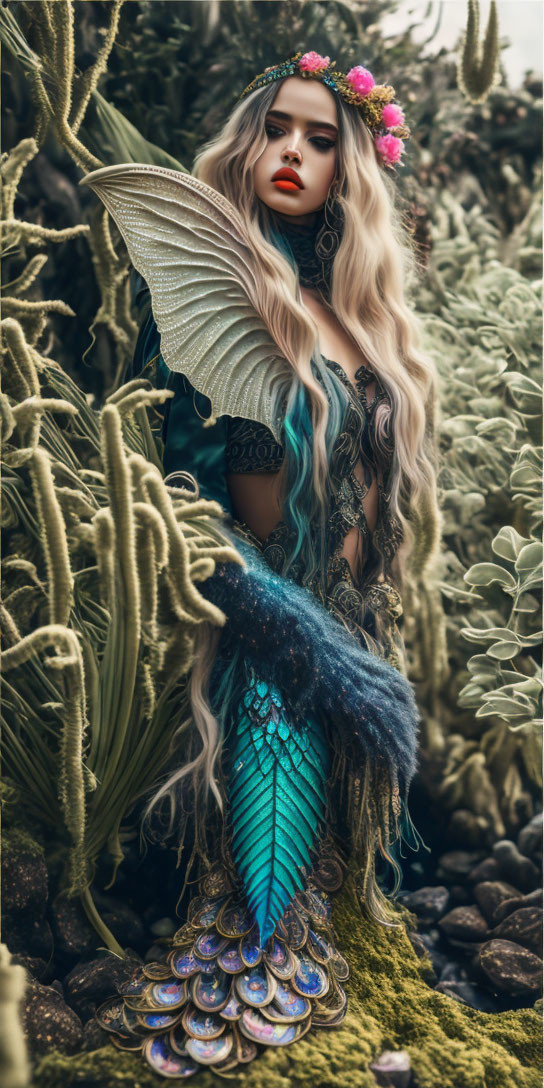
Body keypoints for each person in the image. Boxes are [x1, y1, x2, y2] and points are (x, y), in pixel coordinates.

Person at [84, 50, 440, 1077]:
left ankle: (340, 915)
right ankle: (260, 936)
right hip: (257, 611)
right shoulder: (228, 293)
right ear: (249, 145)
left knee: (354, 803)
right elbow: (180, 477)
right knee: (273, 734)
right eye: (278, 130)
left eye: (321, 138)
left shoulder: (357, 314)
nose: (292, 150)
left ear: (349, 170)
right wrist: (266, 603)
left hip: (350, 613)